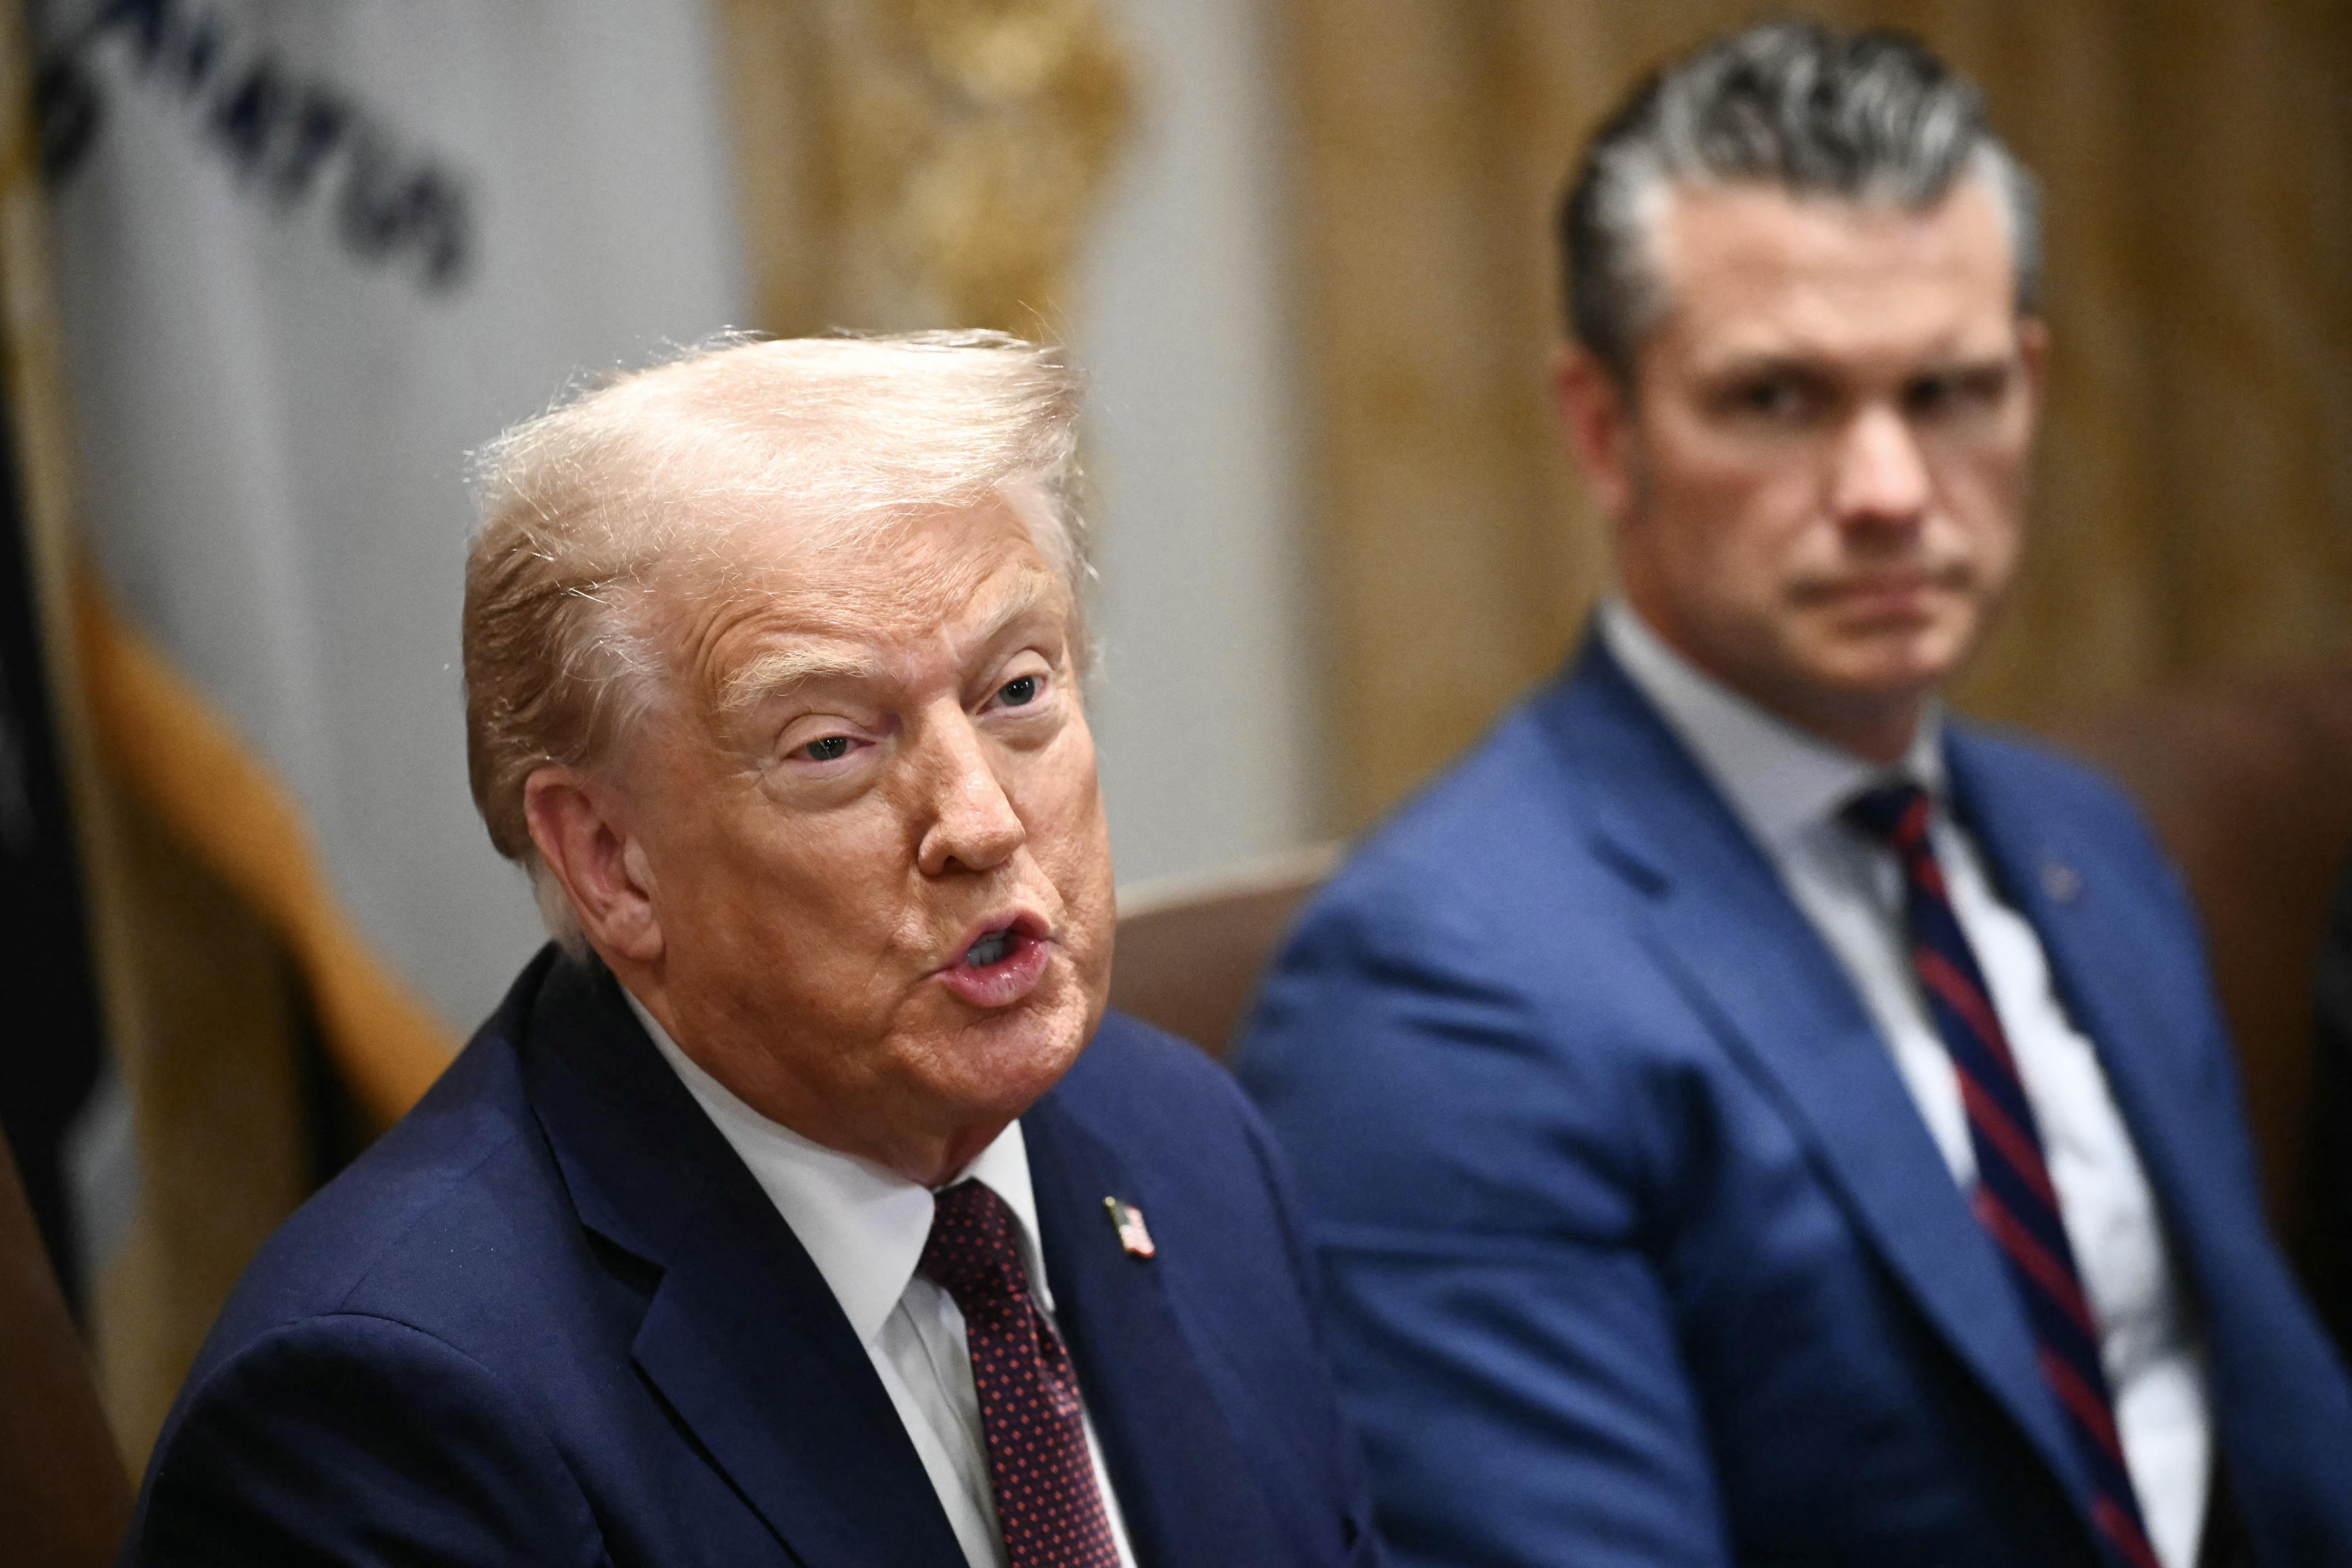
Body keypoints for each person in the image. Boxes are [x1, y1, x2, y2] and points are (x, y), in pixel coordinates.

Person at [1237, 22, 2352, 1568]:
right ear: (1603, 429)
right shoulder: (1441, 992)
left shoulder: (2088, 840)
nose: (1891, 488)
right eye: (1780, 399)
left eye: (1951, 391)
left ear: (2029, 388)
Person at [120, 332, 1382, 1568]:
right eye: (834, 745)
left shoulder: (1189, 1146)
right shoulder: (393, 1418)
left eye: (1017, 693)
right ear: (611, 859)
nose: (985, 821)